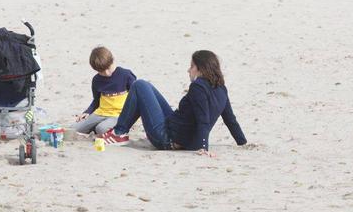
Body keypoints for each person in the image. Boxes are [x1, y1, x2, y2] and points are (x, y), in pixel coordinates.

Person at [100, 50, 246, 156]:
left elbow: (204, 119)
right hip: (178, 131)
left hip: (166, 138)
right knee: (147, 87)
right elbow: (230, 120)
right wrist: (242, 142)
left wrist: (203, 147)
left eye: (191, 66)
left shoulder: (198, 87)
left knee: (139, 85)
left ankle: (119, 132)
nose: (188, 70)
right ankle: (120, 131)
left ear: (200, 69)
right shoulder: (221, 88)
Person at [72, 47, 137, 137]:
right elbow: (96, 100)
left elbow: (136, 97)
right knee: (74, 128)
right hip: (101, 112)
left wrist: (130, 119)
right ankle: (95, 127)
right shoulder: (96, 80)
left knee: (101, 129)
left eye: (108, 68)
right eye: (101, 71)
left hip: (119, 114)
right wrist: (87, 112)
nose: (106, 73)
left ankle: (112, 128)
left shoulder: (126, 75)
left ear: (112, 61)